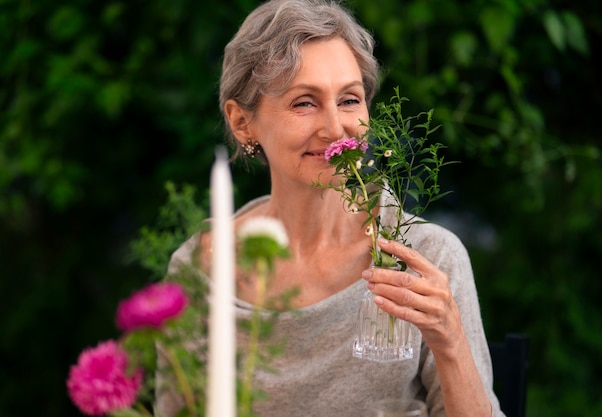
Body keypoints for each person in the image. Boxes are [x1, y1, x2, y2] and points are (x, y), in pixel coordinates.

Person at [158, 0, 505, 416]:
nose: (335, 128)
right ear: (242, 122)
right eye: (304, 102)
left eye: (349, 100)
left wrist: (449, 341)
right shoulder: (203, 266)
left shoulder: (427, 257)